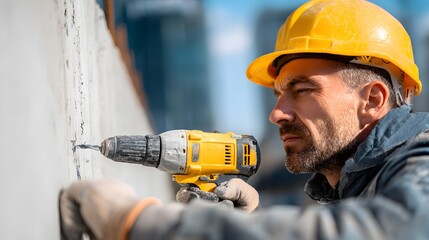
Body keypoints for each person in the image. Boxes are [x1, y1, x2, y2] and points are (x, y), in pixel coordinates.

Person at [59, 0, 429, 239]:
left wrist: (137, 222)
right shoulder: (360, 188)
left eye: (302, 89)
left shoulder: (421, 160)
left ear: (372, 99)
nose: (276, 113)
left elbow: (398, 229)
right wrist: (252, 221)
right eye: (278, 94)